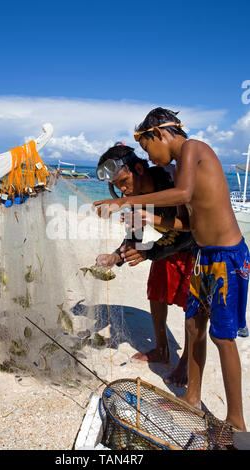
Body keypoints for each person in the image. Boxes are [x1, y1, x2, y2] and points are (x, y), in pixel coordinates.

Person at [94, 107, 249, 431]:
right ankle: (192, 398)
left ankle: (236, 421)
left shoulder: (192, 150)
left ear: (159, 133)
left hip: (226, 256)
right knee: (193, 327)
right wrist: (120, 255)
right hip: (205, 256)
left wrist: (128, 206)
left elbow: (184, 196)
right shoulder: (177, 167)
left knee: (223, 338)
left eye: (149, 150)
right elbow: (182, 221)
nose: (151, 159)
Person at [95, 143, 195, 386]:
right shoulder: (133, 197)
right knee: (156, 293)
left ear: (139, 168)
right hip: (167, 246)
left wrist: (150, 252)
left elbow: (189, 231)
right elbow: (134, 236)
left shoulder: (171, 183)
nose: (122, 190)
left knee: (193, 308)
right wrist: (116, 257)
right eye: (116, 187)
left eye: (124, 182)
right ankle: (162, 350)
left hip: (196, 247)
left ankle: (188, 362)